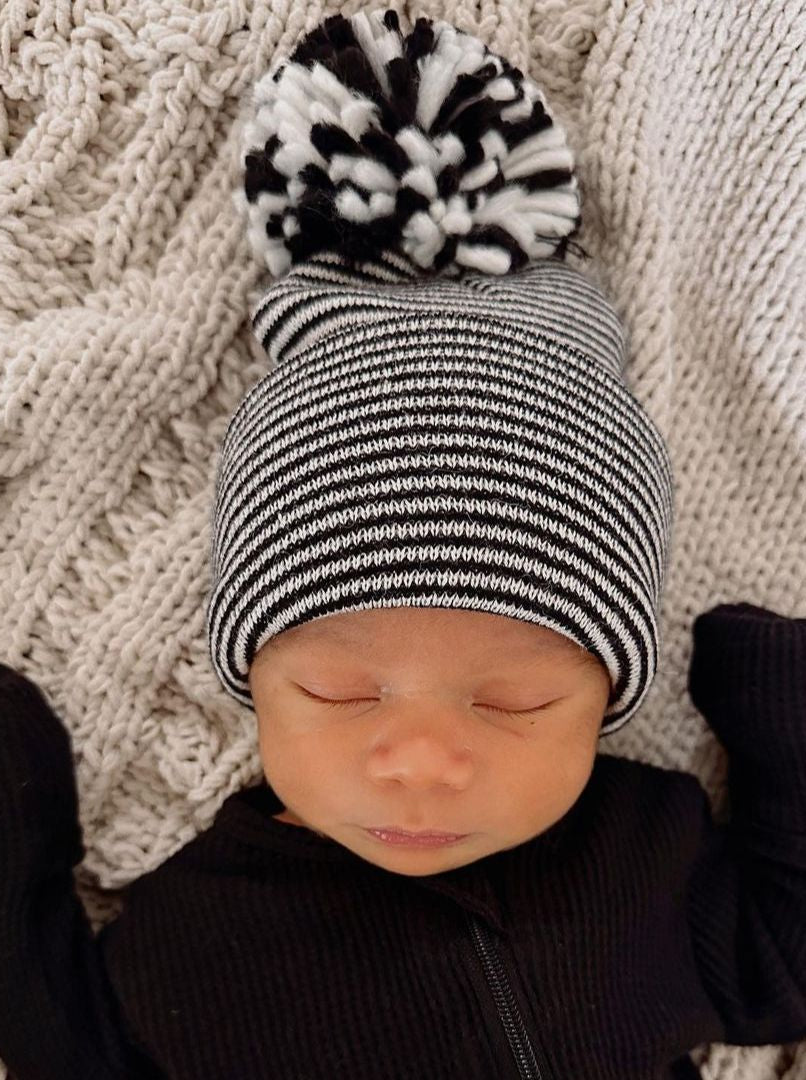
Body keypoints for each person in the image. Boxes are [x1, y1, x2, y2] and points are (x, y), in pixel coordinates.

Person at [1, 9, 804, 1079]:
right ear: (250, 669)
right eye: (336, 690)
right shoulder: (199, 931)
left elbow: (785, 956)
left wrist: (782, 720)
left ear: (611, 690)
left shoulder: (645, 871)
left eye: (517, 700)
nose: (422, 763)